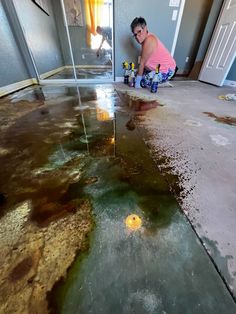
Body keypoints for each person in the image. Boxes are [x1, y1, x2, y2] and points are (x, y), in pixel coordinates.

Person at [130, 17, 177, 88]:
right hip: (156, 69)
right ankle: (157, 80)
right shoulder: (144, 41)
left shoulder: (149, 40)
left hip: (166, 70)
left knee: (142, 82)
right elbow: (144, 62)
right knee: (135, 76)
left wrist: (138, 83)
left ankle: (160, 83)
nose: (137, 36)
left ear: (145, 28)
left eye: (139, 31)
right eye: (135, 34)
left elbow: (142, 63)